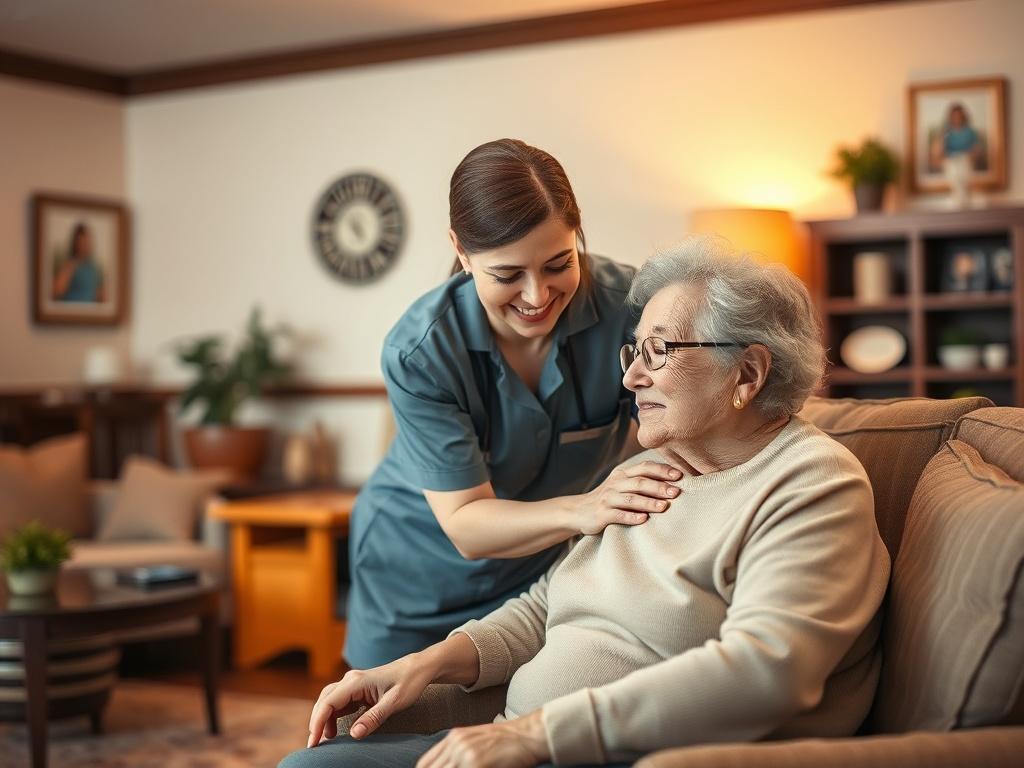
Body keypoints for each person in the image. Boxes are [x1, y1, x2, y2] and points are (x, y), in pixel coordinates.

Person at [282, 236, 891, 768]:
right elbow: (549, 604)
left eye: (660, 352)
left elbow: (767, 673)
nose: (630, 379)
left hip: (616, 752)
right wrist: (424, 665)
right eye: (635, 352)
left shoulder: (812, 484)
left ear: (748, 375)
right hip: (517, 737)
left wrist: (536, 734)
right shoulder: (652, 468)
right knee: (308, 765)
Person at [344, 139, 679, 669]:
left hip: (544, 573)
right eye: (506, 275)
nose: (536, 295)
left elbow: (676, 430)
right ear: (461, 250)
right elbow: (466, 524)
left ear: (576, 233)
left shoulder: (631, 307)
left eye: (557, 265)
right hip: (414, 571)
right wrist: (587, 507)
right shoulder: (419, 351)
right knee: (383, 734)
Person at [53, 223, 105, 303]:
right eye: (82, 241)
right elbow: (57, 290)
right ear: (75, 243)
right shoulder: (69, 265)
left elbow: (100, 293)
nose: (85, 245)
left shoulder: (94, 268)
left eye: (87, 241)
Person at [929, 102, 983, 172]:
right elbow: (936, 151)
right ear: (950, 117)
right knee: (951, 166)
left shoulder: (970, 132)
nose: (957, 118)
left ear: (963, 116)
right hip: (949, 161)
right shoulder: (946, 131)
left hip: (965, 160)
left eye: (959, 115)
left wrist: (970, 157)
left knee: (961, 167)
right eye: (954, 116)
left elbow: (976, 149)